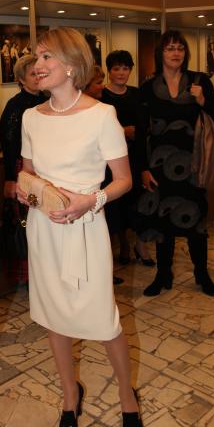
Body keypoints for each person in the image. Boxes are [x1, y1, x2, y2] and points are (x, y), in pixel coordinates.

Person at [16, 27, 143, 427]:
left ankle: (127, 396)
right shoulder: (31, 117)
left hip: (86, 230)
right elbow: (28, 174)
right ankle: (70, 395)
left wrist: (91, 200)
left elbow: (123, 180)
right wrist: (27, 191)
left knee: (104, 320)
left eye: (46, 56)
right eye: (36, 57)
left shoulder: (102, 115)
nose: (37, 65)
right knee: (54, 317)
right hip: (44, 231)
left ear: (71, 65)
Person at [135, 29, 214, 297]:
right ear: (160, 53)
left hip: (193, 165)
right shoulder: (147, 88)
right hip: (160, 166)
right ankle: (163, 274)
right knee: (164, 222)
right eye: (170, 48)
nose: (176, 53)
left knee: (196, 223)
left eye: (180, 48)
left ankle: (201, 273)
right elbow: (141, 132)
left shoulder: (200, 81)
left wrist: (203, 100)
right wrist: (143, 168)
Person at [102, 50, 154, 266]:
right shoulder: (101, 96)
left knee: (140, 201)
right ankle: (123, 244)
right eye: (116, 68)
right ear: (109, 71)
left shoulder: (137, 94)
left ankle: (140, 245)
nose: (121, 73)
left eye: (125, 68)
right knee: (117, 205)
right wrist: (122, 132)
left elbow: (144, 127)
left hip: (136, 156)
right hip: (110, 161)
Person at [0, 54, 46, 286]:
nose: (37, 77)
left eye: (39, 72)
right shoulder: (15, 105)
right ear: (21, 79)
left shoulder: (48, 99)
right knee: (26, 222)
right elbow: (9, 143)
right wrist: (10, 177)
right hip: (23, 169)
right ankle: (28, 277)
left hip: (46, 169)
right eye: (32, 74)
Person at [85, 65, 125, 286]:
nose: (102, 87)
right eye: (98, 83)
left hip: (109, 178)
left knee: (109, 225)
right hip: (96, 180)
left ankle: (103, 273)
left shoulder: (104, 111)